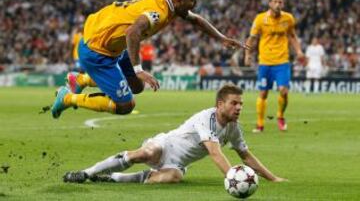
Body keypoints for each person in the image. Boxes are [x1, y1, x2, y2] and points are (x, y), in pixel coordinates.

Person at [51, 0, 247, 119]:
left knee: (137, 86)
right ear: (178, 0)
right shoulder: (159, 13)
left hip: (111, 40)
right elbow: (132, 33)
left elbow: (195, 19)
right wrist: (139, 70)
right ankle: (68, 98)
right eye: (192, 0)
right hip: (97, 50)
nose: (194, 4)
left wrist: (221, 38)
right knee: (126, 105)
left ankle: (80, 79)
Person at [63, 84, 287, 184]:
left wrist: (273, 178)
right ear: (220, 104)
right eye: (234, 103)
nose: (239, 108)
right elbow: (215, 153)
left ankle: (113, 179)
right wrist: (234, 178)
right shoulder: (207, 118)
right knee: (148, 152)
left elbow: (246, 156)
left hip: (177, 163)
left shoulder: (233, 128)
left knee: (174, 177)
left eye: (241, 104)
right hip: (165, 145)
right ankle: (86, 173)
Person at [244, 0, 305, 133]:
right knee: (263, 93)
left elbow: (292, 36)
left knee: (283, 91)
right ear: (270, 3)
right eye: (275, 2)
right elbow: (252, 38)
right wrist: (247, 54)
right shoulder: (260, 19)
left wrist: (299, 51)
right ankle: (260, 124)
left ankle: (280, 116)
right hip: (265, 62)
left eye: (280, 2)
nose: (278, 4)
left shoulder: (288, 18)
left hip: (282, 61)